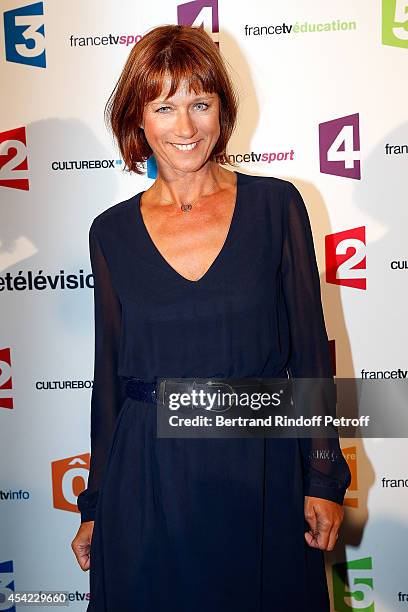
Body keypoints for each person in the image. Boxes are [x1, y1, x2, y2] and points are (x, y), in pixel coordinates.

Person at [71, 24, 351, 612]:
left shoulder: (277, 206)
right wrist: (96, 504)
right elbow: (107, 382)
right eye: (164, 106)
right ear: (138, 119)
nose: (185, 127)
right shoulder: (110, 232)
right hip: (147, 479)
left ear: (222, 109)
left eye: (200, 103)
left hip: (261, 472)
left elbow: (308, 353)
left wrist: (324, 478)